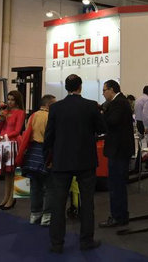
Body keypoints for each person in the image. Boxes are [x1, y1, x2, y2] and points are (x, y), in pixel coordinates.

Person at [44, 74, 105, 253]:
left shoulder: (55, 108)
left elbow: (49, 136)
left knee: (58, 203)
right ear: (80, 87)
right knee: (87, 202)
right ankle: (86, 241)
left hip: (61, 160)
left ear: (66, 88)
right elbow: (102, 128)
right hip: (85, 160)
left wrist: (48, 158)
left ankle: (57, 243)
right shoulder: (90, 106)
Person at [99, 80, 135, 228]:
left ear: (112, 89)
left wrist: (102, 113)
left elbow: (112, 122)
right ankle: (120, 215)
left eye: (104, 90)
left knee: (116, 184)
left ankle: (118, 216)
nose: (103, 93)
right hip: (119, 149)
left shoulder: (118, 103)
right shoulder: (120, 102)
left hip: (118, 150)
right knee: (117, 184)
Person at [22, 94, 56, 226]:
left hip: (32, 153)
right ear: (49, 105)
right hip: (45, 153)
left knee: (35, 186)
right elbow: (52, 137)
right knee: (50, 187)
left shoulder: (33, 116)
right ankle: (47, 216)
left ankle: (34, 214)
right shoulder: (50, 117)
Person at [0, 90, 26, 210]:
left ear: (17, 101)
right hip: (4, 143)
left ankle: (12, 198)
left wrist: (2, 137)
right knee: (7, 173)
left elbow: (17, 131)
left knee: (14, 172)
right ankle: (6, 197)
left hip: (13, 143)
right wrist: (1, 119)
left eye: (12, 99)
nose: (10, 102)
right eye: (9, 99)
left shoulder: (20, 113)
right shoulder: (6, 112)